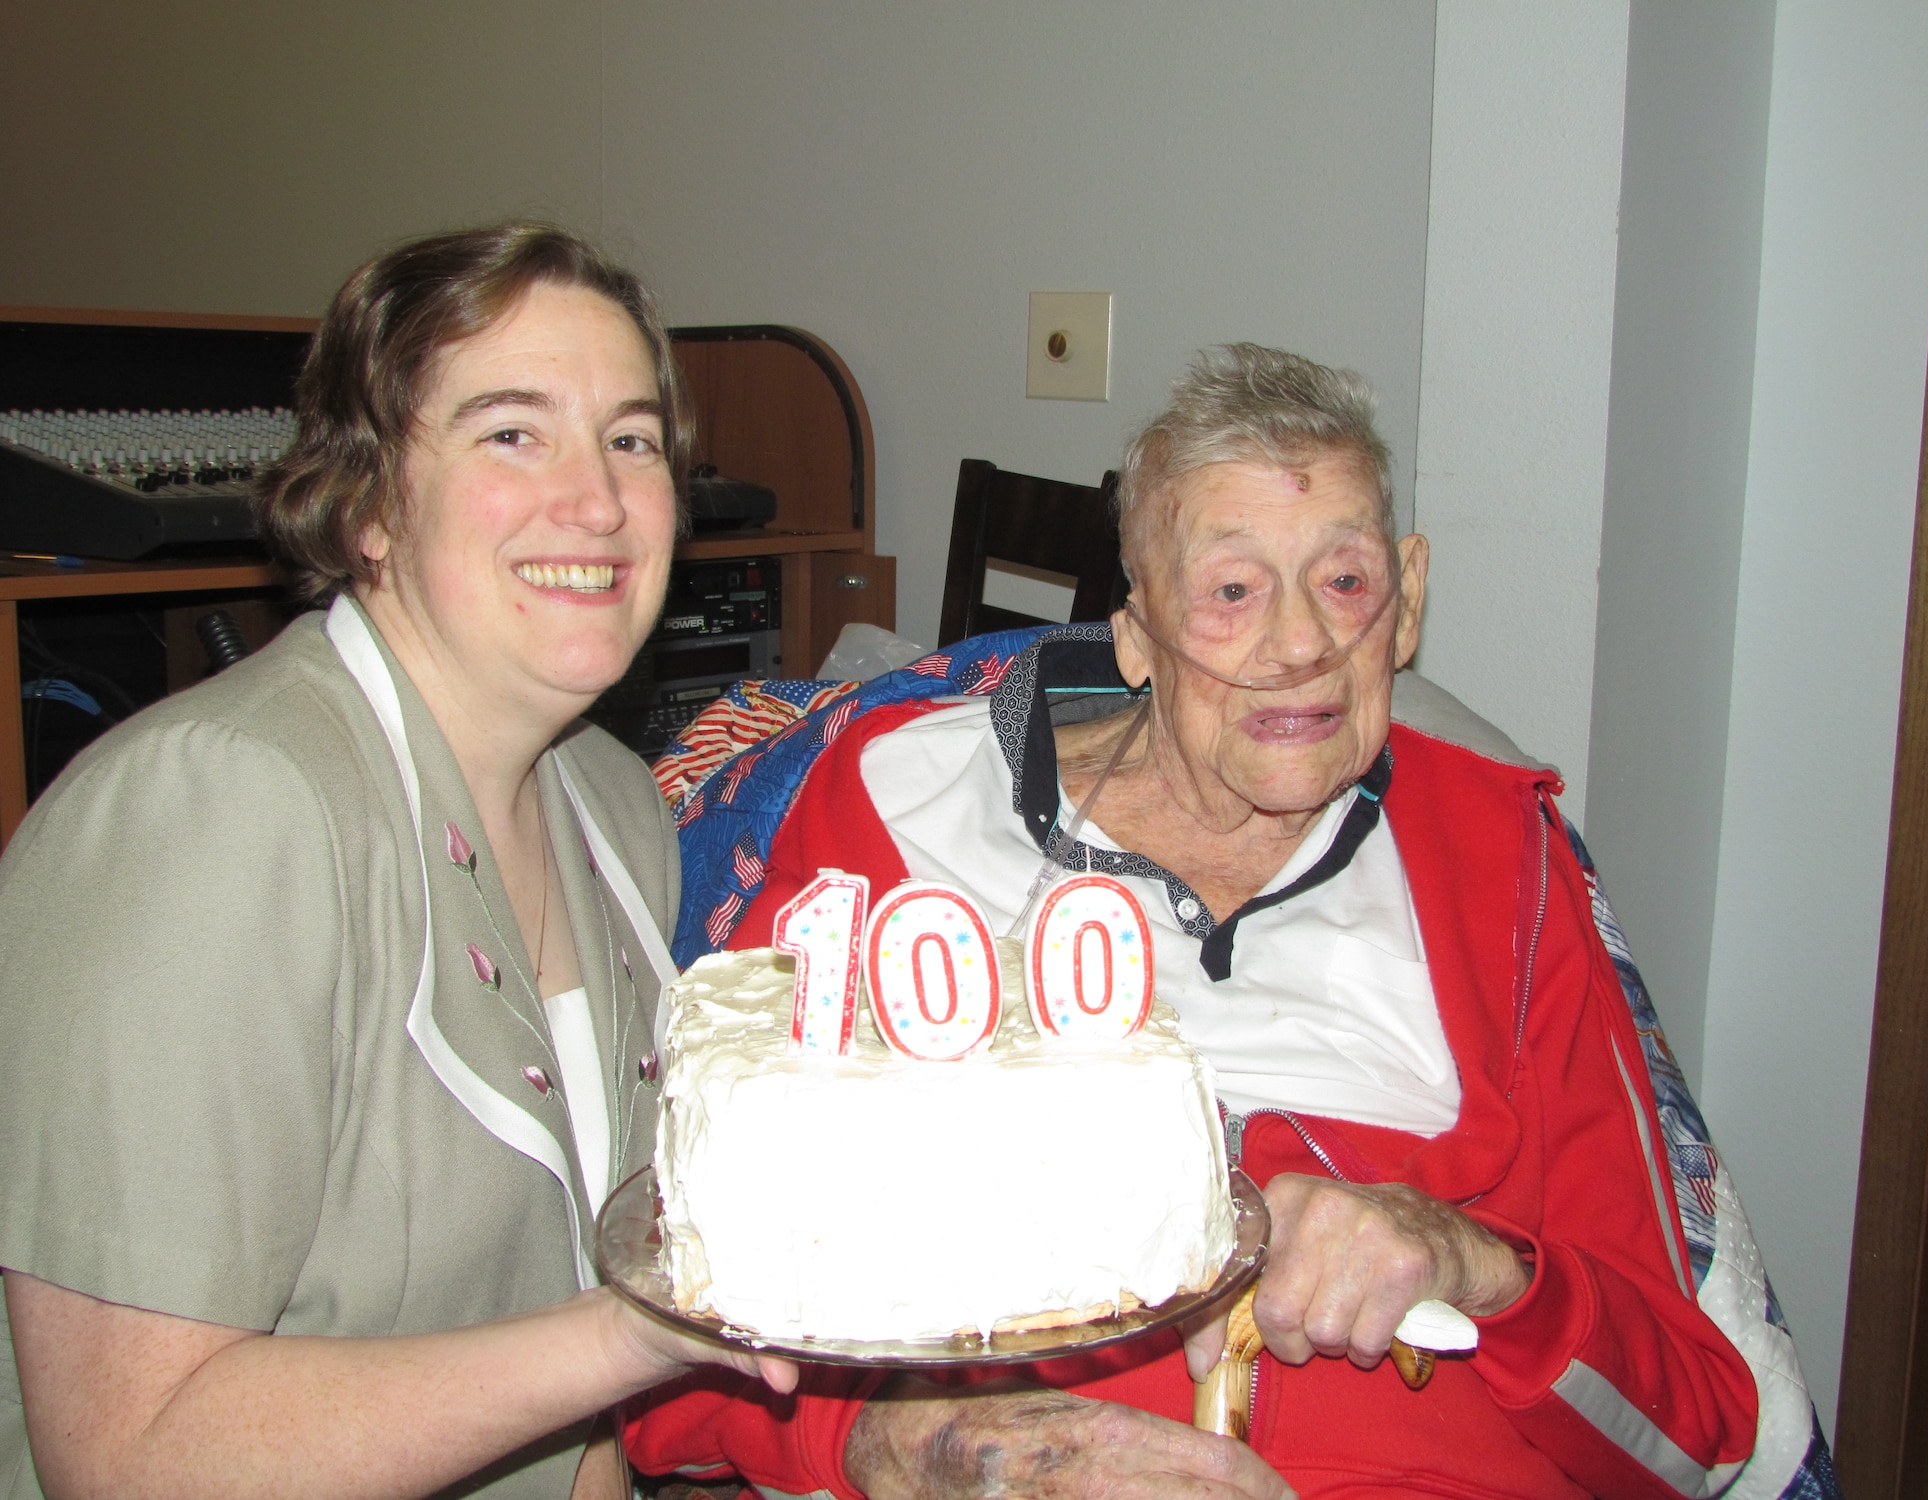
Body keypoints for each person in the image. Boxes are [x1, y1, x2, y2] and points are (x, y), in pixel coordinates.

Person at [623, 345, 1760, 1500]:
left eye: (1346, 581)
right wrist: (904, 1443)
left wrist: (1472, 1260)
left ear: (1407, 601)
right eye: (1229, 590)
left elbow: (1694, 1431)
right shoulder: (892, 805)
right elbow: (679, 1341)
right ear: (1134, 637)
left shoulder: (1503, 862)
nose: (1301, 645)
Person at [0, 223, 792, 1500]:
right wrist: (641, 1334)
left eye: (631, 441)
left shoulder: (610, 803)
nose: (596, 501)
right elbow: (129, 1456)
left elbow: (578, 1403)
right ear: (368, 503)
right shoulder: (216, 810)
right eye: (510, 432)